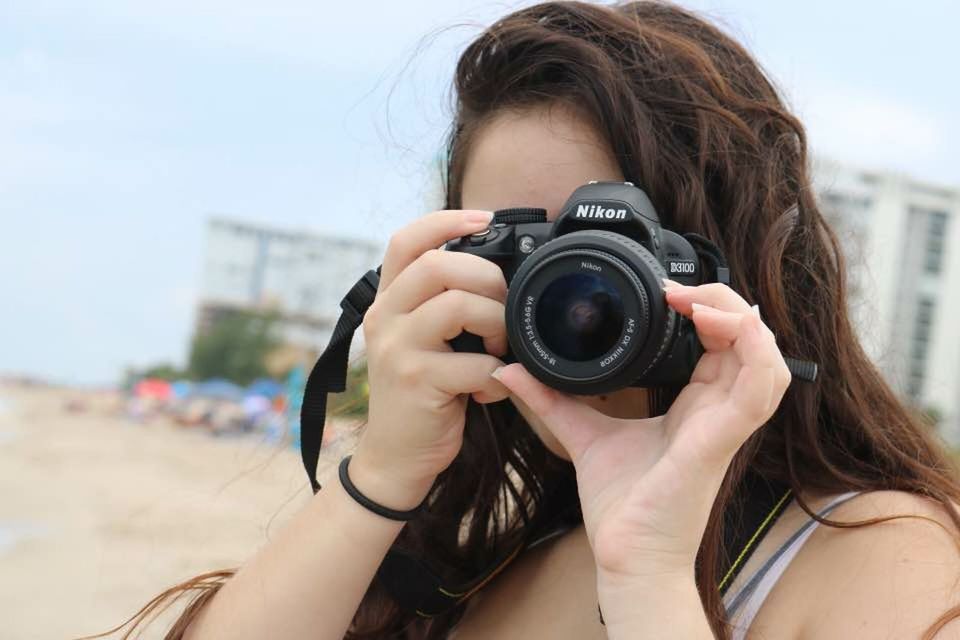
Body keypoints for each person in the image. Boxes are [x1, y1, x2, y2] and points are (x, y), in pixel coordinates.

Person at [87, 2, 960, 639]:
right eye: (524, 247)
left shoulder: (877, 553)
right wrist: (385, 472)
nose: (569, 290)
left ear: (741, 262)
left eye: (618, 243)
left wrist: (649, 570)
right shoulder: (491, 549)